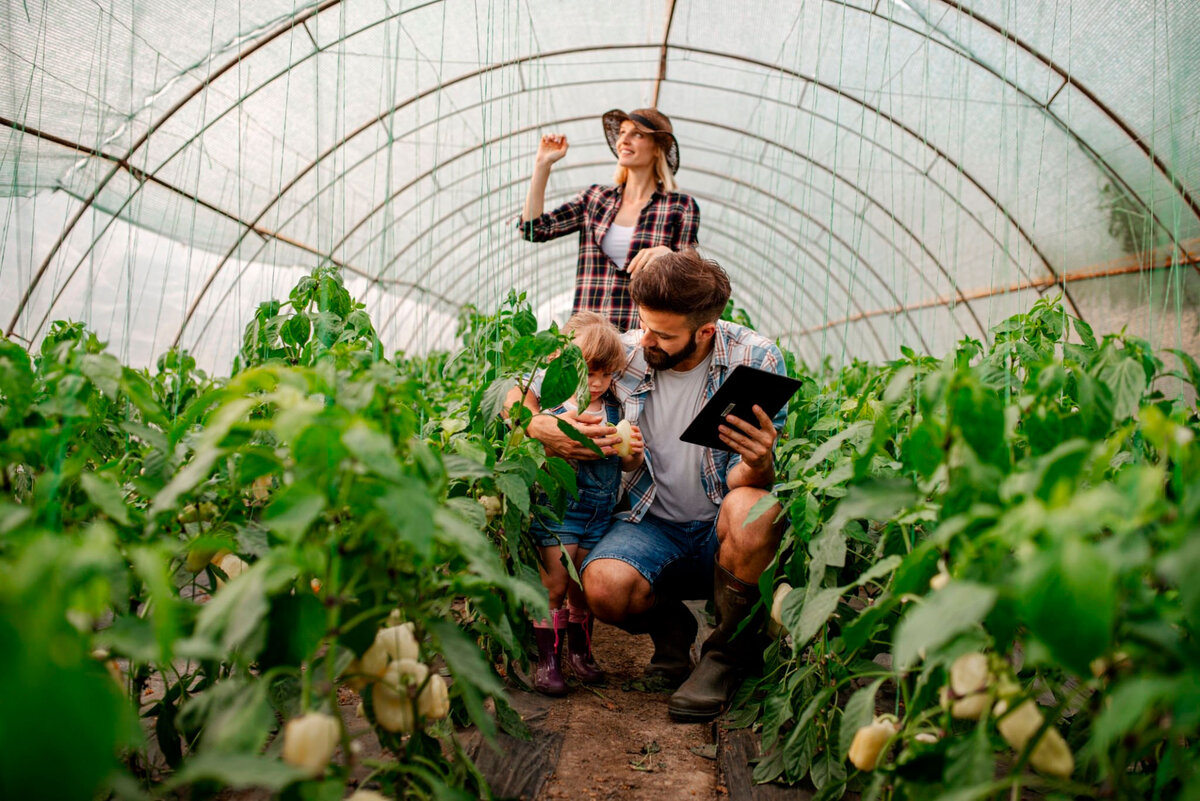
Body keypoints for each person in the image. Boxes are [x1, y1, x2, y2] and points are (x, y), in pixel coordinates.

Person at [523, 250, 788, 722]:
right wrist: (537, 426)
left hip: (718, 529)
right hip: (651, 523)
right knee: (601, 586)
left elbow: (742, 480)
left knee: (758, 508)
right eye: (643, 325)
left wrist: (759, 461)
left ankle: (723, 656)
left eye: (663, 334)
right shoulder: (626, 352)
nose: (646, 340)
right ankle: (672, 632)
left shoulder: (756, 358)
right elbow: (522, 383)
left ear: (705, 331)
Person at [525, 312, 645, 695]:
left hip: (599, 513)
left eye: (606, 374)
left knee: (583, 589)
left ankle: (581, 653)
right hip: (561, 513)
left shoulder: (616, 411)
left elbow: (626, 463)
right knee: (555, 584)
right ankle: (549, 661)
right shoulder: (554, 411)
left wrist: (633, 454)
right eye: (587, 372)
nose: (596, 383)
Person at [517, 108, 700, 332]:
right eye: (622, 133)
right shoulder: (595, 199)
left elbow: (692, 277)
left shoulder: (679, 207)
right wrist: (542, 165)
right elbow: (533, 229)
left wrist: (671, 258)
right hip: (587, 337)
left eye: (637, 134)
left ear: (657, 148)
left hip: (641, 337)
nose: (624, 140)